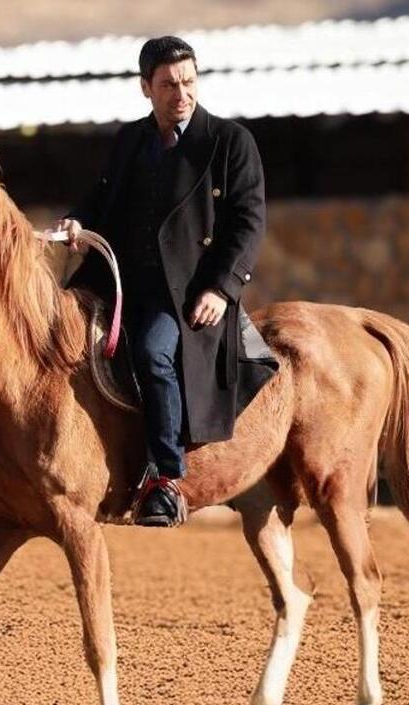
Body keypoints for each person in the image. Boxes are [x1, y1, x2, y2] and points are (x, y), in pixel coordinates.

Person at [59, 35, 276, 526]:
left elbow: (248, 220)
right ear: (145, 88)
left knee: (153, 352)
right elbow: (102, 198)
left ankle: (165, 479)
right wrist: (76, 222)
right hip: (118, 283)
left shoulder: (229, 141)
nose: (182, 93)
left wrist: (223, 288)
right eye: (169, 84)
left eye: (189, 81)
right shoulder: (129, 141)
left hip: (182, 295)